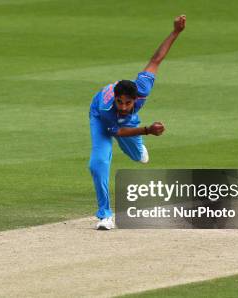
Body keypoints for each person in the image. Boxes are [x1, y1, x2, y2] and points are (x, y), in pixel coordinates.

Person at [88, 15, 186, 230]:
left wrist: (176, 32)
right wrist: (147, 130)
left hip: (129, 123)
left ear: (136, 99)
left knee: (137, 156)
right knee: (98, 163)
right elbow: (117, 131)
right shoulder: (106, 109)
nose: (123, 105)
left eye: (127, 102)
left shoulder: (142, 88)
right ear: (115, 98)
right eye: (119, 102)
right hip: (101, 118)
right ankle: (105, 215)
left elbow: (155, 59)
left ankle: (138, 148)